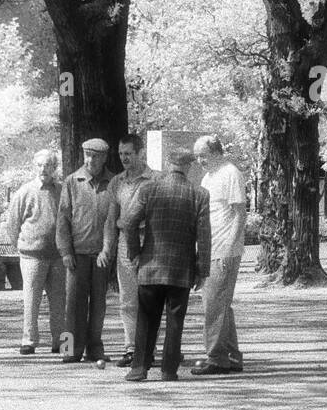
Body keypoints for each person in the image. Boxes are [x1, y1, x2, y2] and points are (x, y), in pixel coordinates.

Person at [122, 146, 210, 382]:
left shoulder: (149, 189)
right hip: (181, 269)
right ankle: (169, 370)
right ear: (188, 166)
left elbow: (128, 223)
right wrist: (203, 270)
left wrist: (135, 253)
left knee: (146, 319)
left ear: (168, 163)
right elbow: (204, 236)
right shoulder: (199, 194)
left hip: (150, 266)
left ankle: (139, 368)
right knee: (175, 321)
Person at [190, 134, 247, 376]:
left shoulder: (230, 173)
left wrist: (229, 247)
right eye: (197, 156)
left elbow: (239, 213)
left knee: (213, 305)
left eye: (203, 155)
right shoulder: (208, 176)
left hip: (223, 249)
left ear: (215, 152)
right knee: (221, 304)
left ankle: (216, 357)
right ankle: (231, 356)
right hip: (209, 248)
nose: (200, 160)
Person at [97, 134, 154, 367]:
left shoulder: (155, 180)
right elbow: (111, 219)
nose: (124, 158)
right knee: (128, 299)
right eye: (121, 154)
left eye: (128, 154)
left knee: (150, 298)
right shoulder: (117, 182)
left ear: (141, 153)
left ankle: (149, 348)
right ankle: (131, 348)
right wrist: (106, 249)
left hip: (150, 242)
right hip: (124, 244)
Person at [56, 138, 113, 363]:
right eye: (87, 155)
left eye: (96, 156)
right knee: (73, 306)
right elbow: (63, 219)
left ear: (105, 157)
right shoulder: (72, 181)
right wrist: (65, 251)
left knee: (98, 305)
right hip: (77, 254)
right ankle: (69, 350)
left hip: (101, 255)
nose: (91, 160)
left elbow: (113, 219)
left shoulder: (113, 182)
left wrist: (108, 251)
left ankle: (95, 349)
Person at [6, 149, 66, 355]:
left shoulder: (62, 190)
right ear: (35, 167)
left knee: (60, 302)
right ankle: (29, 341)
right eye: (40, 165)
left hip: (58, 256)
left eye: (48, 165)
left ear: (54, 168)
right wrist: (23, 246)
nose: (44, 169)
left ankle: (62, 343)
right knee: (31, 300)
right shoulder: (25, 192)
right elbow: (13, 225)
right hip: (32, 256)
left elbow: (68, 220)